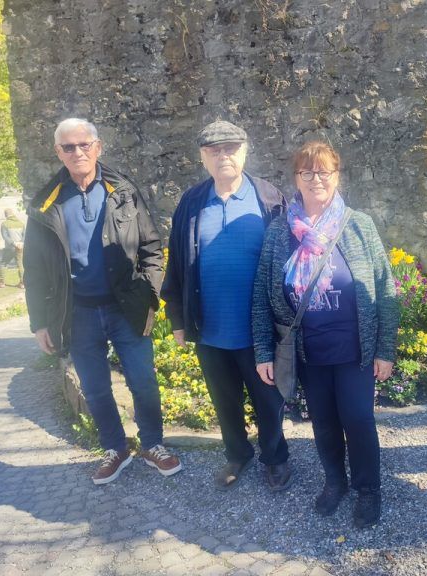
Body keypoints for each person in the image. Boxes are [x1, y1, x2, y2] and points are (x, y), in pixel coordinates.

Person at [24, 118, 181, 485]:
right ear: (58, 152)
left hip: (125, 307)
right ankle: (115, 448)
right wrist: (39, 321)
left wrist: (150, 295)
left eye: (84, 145)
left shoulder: (122, 190)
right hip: (76, 313)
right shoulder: (44, 203)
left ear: (98, 147)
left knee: (142, 381)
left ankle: (153, 444)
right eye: (68, 147)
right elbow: (33, 268)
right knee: (95, 388)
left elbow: (151, 246)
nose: (77, 152)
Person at [252, 141, 399, 529]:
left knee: (358, 418)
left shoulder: (358, 225)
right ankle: (336, 482)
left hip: (354, 350)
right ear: (296, 178)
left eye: (324, 172)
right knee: (324, 422)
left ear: (337, 176)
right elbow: (262, 297)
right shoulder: (279, 233)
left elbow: (384, 289)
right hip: (308, 351)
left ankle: (368, 489)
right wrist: (264, 352)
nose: (316, 179)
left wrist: (385, 349)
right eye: (307, 172)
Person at [161, 120, 293, 492]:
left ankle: (275, 457)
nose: (224, 156)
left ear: (245, 151)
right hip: (210, 326)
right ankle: (238, 454)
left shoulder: (269, 198)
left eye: (231, 148)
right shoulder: (191, 202)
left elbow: (288, 262)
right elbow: (177, 264)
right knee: (224, 400)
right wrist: (177, 319)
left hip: (259, 329)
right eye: (214, 150)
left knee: (269, 400)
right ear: (203, 157)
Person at [0, 208, 25, 288]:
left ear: (6, 215)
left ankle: (2, 282)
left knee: (4, 263)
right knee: (20, 264)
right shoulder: (21, 223)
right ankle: (22, 283)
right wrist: (20, 243)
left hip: (9, 247)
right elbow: (24, 235)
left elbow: (5, 236)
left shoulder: (4, 224)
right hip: (20, 247)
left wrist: (14, 243)